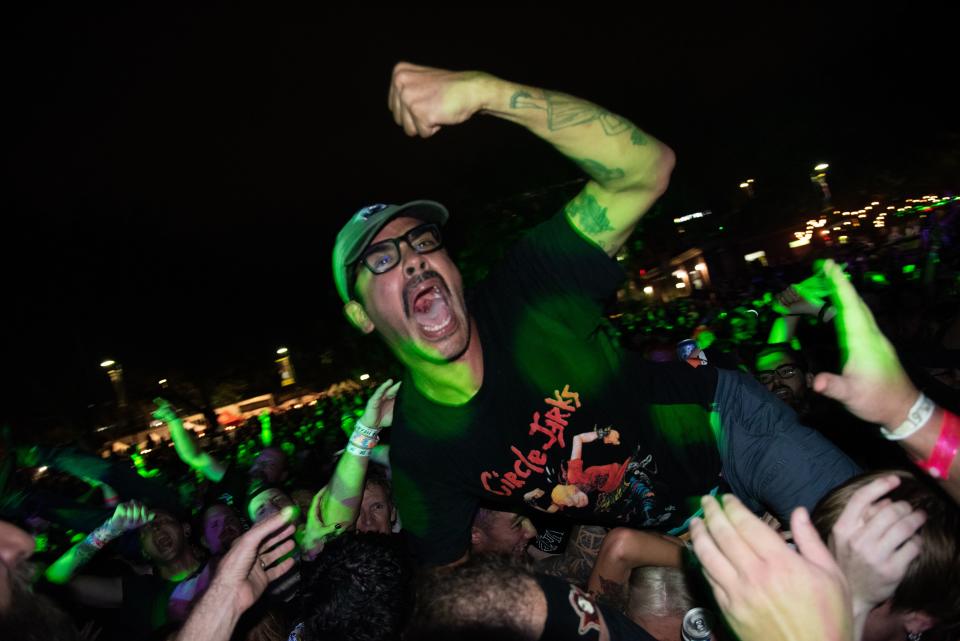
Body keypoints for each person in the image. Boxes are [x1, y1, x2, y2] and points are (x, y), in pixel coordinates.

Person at [333, 61, 859, 565]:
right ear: (360, 315)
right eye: (381, 259)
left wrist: (485, 93)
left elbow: (644, 169)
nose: (414, 259)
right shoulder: (423, 447)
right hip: (676, 531)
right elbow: (446, 576)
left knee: (884, 563)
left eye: (423, 240)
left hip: (730, 432)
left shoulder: (526, 289)